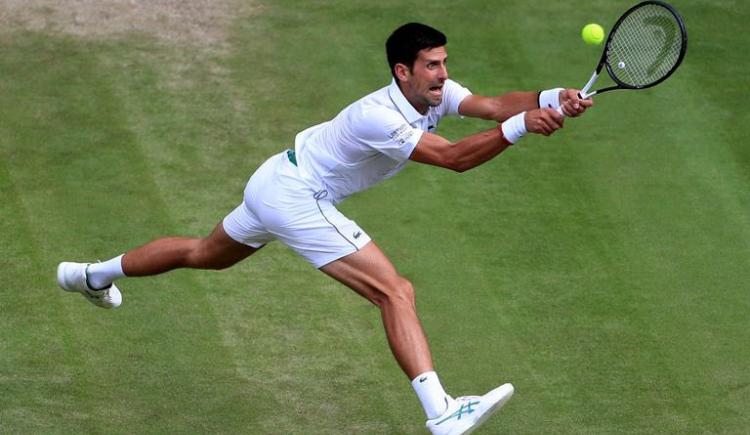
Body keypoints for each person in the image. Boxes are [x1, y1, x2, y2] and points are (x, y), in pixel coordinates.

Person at [57, 22, 592, 434]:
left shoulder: (438, 94)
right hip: (296, 197)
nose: (443, 74)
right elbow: (454, 158)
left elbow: (494, 105)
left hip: (273, 180)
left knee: (204, 252)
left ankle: (90, 275)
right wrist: (522, 127)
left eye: (444, 63)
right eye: (431, 66)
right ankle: (442, 414)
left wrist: (551, 98)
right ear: (402, 71)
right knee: (395, 292)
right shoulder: (378, 116)